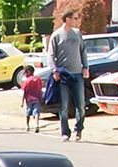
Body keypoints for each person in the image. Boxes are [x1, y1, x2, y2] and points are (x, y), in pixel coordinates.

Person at [48, 8, 90, 141]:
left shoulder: (77, 34)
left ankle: (79, 129)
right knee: (64, 106)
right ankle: (65, 132)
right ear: (67, 19)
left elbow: (83, 51)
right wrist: (54, 70)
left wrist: (85, 67)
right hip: (63, 75)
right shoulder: (56, 35)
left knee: (81, 105)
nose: (77, 21)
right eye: (75, 18)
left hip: (77, 74)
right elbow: (50, 54)